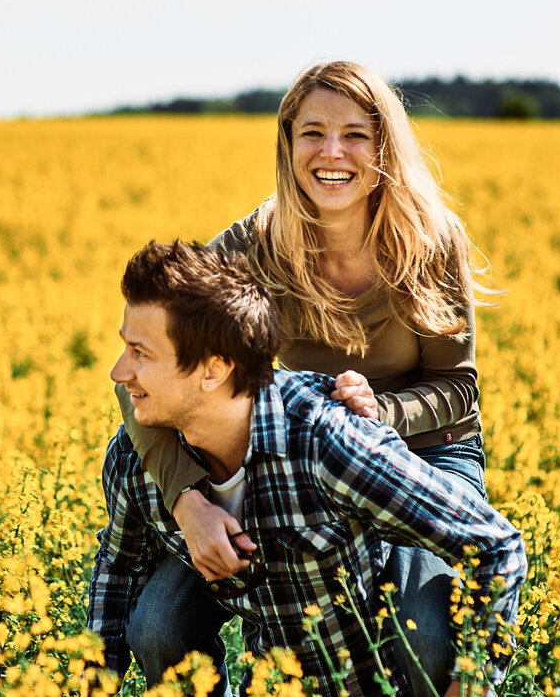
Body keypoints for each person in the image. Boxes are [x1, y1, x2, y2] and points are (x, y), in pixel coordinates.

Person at [117, 61, 491, 693]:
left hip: (425, 458)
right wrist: (187, 502)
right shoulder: (250, 246)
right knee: (158, 627)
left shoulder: (432, 241)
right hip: (290, 459)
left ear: (383, 147)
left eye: (355, 134)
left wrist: (382, 414)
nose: (332, 152)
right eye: (312, 132)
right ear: (288, 145)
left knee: (427, 637)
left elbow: (459, 390)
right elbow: (146, 368)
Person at [87, 240, 525, 697]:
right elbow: (117, 573)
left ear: (213, 370)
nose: (118, 373)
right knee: (156, 625)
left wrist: (471, 681)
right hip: (279, 683)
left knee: (430, 634)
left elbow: (497, 547)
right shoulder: (138, 463)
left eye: (141, 353)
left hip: (378, 679)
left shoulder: (327, 443)